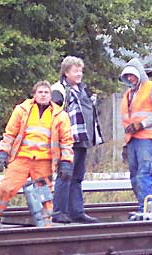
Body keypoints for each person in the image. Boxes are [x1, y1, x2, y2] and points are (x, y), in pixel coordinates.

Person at [0, 81, 74, 226]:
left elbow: (67, 141)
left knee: (44, 196)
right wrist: (3, 153)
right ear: (34, 94)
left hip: (44, 161)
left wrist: (66, 162)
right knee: (5, 188)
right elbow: (10, 134)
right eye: (40, 92)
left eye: (46, 92)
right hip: (21, 159)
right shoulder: (21, 110)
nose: (43, 95)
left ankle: (46, 225)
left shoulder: (60, 115)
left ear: (50, 95)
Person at [51, 56, 104, 223]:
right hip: (66, 141)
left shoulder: (83, 90)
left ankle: (76, 211)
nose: (79, 74)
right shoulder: (59, 89)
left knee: (77, 177)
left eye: (80, 71)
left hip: (82, 140)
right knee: (65, 174)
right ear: (66, 72)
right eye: (76, 71)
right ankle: (59, 212)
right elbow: (52, 115)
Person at [119, 58, 152, 213]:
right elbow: (128, 119)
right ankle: (146, 206)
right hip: (133, 140)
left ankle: (146, 208)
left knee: (143, 174)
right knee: (135, 177)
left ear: (139, 73)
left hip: (147, 139)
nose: (130, 79)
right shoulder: (129, 94)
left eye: (132, 75)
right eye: (127, 77)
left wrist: (141, 125)